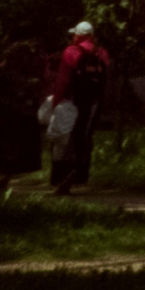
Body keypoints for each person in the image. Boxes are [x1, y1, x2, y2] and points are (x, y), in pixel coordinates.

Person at [46, 22, 111, 191]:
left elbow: (63, 80)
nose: (72, 37)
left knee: (65, 136)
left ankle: (62, 175)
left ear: (80, 36)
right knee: (85, 136)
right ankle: (82, 176)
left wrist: (55, 102)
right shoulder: (102, 53)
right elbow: (106, 80)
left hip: (73, 101)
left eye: (74, 34)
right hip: (93, 103)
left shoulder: (71, 51)